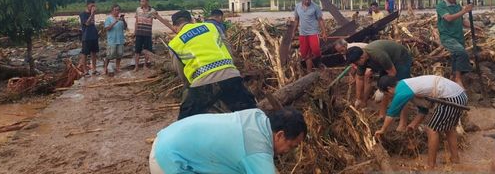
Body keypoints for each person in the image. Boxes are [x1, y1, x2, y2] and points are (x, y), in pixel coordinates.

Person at [149, 107, 307, 174]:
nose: (289, 151)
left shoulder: (256, 116)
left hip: (167, 138)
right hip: (168, 161)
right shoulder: (256, 150)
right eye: (292, 146)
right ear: (280, 135)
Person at [168, 10, 256, 120]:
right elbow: (228, 49)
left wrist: (190, 90)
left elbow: (181, 73)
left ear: (174, 27)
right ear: (192, 20)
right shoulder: (211, 27)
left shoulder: (174, 44)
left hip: (202, 83)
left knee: (185, 120)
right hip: (231, 76)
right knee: (250, 114)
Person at [375, 75, 467, 169]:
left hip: (451, 98)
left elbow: (391, 113)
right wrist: (413, 124)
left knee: (431, 130)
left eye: (387, 94)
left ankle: (431, 165)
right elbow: (423, 110)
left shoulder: (401, 92)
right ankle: (455, 159)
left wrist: (382, 130)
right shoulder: (406, 84)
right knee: (449, 128)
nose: (389, 97)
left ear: (389, 89)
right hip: (459, 95)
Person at [346, 40, 413, 128]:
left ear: (362, 57)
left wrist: (381, 89)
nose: (356, 65)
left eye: (357, 62)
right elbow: (359, 78)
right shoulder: (361, 61)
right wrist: (358, 99)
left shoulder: (378, 55)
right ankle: (382, 115)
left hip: (400, 59)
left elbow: (392, 73)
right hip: (385, 65)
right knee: (386, 90)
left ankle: (403, 123)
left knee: (401, 90)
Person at [436, 0, 474, 88]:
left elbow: (463, 21)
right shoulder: (441, 6)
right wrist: (464, 10)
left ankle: (454, 78)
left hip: (459, 37)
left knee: (455, 57)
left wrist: (472, 26)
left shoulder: (457, 6)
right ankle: (458, 78)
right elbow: (448, 18)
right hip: (447, 37)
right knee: (461, 52)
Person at [134, 0, 176, 71]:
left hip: (147, 33)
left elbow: (159, 18)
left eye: (143, 1)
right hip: (139, 33)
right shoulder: (138, 10)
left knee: (148, 50)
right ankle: (136, 66)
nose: (142, 3)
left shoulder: (153, 11)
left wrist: (171, 27)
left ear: (147, 2)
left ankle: (145, 66)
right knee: (137, 50)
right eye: (141, 1)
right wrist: (135, 30)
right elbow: (136, 21)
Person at [293, 0, 327, 72]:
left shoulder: (315, 7)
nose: (308, 1)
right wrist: (293, 32)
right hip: (302, 33)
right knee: (305, 54)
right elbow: (296, 20)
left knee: (316, 49)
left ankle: (319, 63)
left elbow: (320, 20)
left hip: (313, 32)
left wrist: (324, 32)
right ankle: (309, 71)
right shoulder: (297, 7)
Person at [103, 4, 127, 76]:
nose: (117, 11)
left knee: (119, 54)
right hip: (112, 40)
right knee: (109, 55)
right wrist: (115, 22)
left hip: (120, 39)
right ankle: (105, 69)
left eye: (118, 10)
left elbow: (125, 27)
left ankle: (117, 67)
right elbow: (107, 28)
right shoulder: (109, 18)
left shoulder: (121, 19)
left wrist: (123, 20)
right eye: (115, 10)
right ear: (112, 10)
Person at [79, 0, 99, 76]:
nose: (93, 8)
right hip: (86, 36)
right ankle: (85, 70)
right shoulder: (83, 14)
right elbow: (87, 23)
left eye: (94, 6)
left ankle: (94, 69)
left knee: (94, 53)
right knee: (85, 54)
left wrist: (92, 14)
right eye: (91, 6)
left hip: (94, 35)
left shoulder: (92, 14)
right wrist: (92, 14)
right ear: (87, 5)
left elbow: (92, 23)